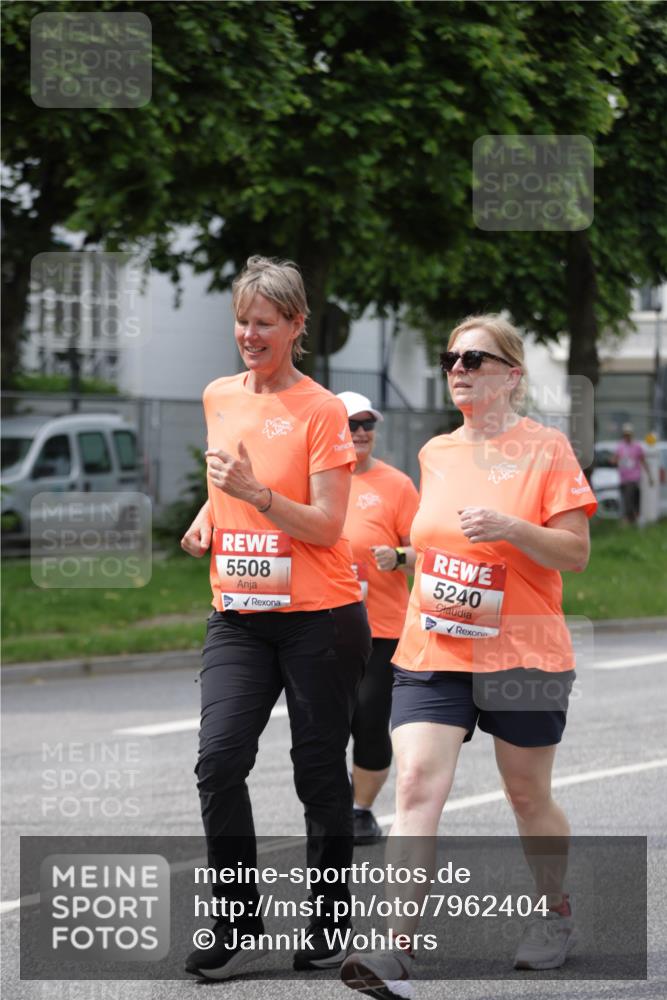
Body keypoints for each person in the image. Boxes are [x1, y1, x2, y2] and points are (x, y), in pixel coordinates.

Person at [341, 314, 597, 999]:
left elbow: (573, 551)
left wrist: (513, 528)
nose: (458, 368)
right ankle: (394, 947)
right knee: (417, 783)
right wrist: (407, 560)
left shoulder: (545, 450)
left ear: (510, 374)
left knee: (524, 794)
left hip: (522, 651)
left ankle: (553, 913)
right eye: (451, 357)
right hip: (435, 647)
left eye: (474, 358)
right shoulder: (436, 453)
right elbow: (438, 544)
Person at [181, 256, 371, 981]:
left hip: (318, 616)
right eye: (242, 321)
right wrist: (209, 514)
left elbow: (325, 525)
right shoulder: (217, 394)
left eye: (265, 323)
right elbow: (229, 480)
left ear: (297, 327)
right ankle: (235, 915)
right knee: (219, 758)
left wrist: (255, 497)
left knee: (317, 772)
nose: (249, 334)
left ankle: (327, 917)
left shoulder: (322, 410)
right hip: (236, 611)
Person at [336, 391, 419, 845]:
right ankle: (330, 804)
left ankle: (359, 809)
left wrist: (399, 555)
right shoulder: (314, 479)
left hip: (382, 626)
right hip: (320, 621)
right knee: (327, 721)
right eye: (352, 425)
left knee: (368, 716)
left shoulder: (397, 485)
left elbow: (426, 551)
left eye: (368, 424)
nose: (362, 432)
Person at [613, 423, 654, 524]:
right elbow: (615, 459)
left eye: (629, 434)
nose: (627, 436)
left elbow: (643, 461)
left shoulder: (637, 447)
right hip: (623, 477)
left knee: (629, 498)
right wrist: (613, 461)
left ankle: (627, 519)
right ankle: (632, 518)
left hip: (633, 477)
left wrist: (650, 476)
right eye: (625, 434)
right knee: (627, 498)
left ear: (632, 434)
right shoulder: (620, 446)